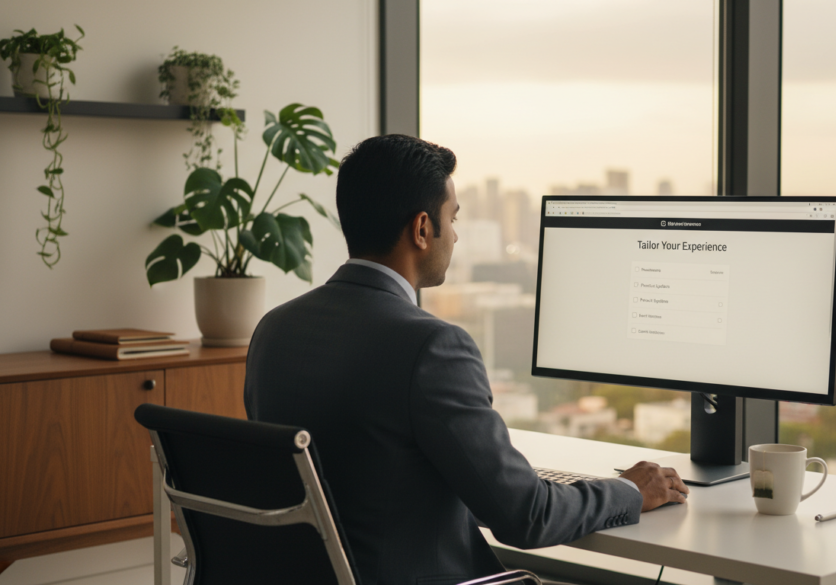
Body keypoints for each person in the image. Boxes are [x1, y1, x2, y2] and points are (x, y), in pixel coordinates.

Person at [244, 134, 688, 585]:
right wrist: (629, 490)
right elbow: (526, 516)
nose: (454, 236)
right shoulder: (432, 346)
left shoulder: (273, 329)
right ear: (421, 229)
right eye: (451, 219)